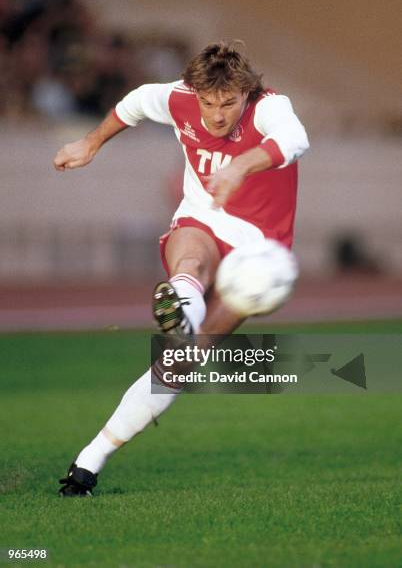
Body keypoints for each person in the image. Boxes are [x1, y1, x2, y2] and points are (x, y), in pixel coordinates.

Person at [54, 41, 309, 496]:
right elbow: (133, 105)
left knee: (183, 362)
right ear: (195, 93)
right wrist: (89, 143)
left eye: (228, 103)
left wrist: (241, 167)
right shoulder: (177, 97)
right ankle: (86, 467)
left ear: (246, 93)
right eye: (208, 103)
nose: (216, 115)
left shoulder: (271, 105)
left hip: (259, 252)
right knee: (191, 257)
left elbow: (294, 139)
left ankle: (182, 327)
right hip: (204, 216)